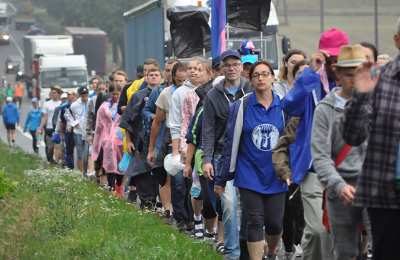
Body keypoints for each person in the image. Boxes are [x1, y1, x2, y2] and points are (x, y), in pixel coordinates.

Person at [282, 28, 349, 260]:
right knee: (320, 229)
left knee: (325, 233)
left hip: (345, 167)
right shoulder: (311, 79)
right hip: (313, 167)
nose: (334, 62)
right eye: (330, 57)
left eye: (339, 57)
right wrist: (310, 72)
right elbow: (289, 106)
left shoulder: (351, 80)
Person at [215, 61, 287, 260]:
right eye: (257, 75)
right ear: (251, 79)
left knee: (275, 224)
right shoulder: (241, 106)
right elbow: (230, 143)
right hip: (249, 173)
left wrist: (291, 170)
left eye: (265, 74)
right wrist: (222, 178)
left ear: (273, 78)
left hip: (276, 174)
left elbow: (292, 141)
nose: (261, 78)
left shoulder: (283, 106)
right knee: (254, 221)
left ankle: (271, 253)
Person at [342, 17, 400, 260]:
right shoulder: (379, 77)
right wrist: (361, 96)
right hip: (386, 195)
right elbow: (353, 136)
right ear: (398, 41)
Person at [312, 45, 368, 260]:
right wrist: (338, 185)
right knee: (346, 253)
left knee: (383, 246)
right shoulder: (325, 110)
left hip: (375, 187)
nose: (355, 80)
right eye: (349, 75)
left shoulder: (379, 104)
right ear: (338, 73)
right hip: (341, 188)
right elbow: (320, 155)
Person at [202, 49, 252, 259]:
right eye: (227, 65)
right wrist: (206, 159)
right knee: (229, 205)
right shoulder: (213, 95)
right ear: (222, 68)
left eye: (235, 64)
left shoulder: (251, 90)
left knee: (250, 207)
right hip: (223, 158)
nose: (231, 68)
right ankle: (232, 253)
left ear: (242, 67)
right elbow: (208, 129)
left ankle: (253, 249)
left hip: (248, 157)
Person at [147, 62, 188, 220]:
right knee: (177, 182)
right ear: (172, 79)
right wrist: (152, 148)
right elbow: (157, 122)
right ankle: (180, 218)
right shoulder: (166, 93)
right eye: (178, 81)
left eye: (185, 81)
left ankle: (191, 218)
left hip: (192, 142)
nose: (182, 85)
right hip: (173, 143)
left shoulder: (198, 92)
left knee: (191, 185)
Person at [120, 67, 163, 209]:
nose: (154, 77)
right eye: (151, 75)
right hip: (141, 141)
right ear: (146, 77)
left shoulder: (165, 93)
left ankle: (161, 203)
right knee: (142, 173)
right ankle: (147, 202)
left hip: (161, 140)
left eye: (157, 75)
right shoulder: (138, 96)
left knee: (159, 173)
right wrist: (129, 140)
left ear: (161, 77)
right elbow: (127, 120)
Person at [92, 85, 124, 197]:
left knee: (120, 166)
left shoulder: (124, 106)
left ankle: (119, 186)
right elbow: (99, 125)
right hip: (107, 142)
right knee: (110, 164)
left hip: (120, 140)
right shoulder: (104, 107)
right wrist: (97, 141)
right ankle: (111, 187)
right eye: (113, 94)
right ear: (109, 94)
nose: (115, 96)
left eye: (117, 94)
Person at [65, 86, 89, 175]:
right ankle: (81, 173)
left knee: (87, 154)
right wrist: (73, 123)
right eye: (82, 95)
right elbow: (67, 115)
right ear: (79, 95)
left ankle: (87, 172)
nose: (84, 97)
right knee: (80, 154)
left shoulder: (90, 102)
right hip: (78, 132)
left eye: (86, 95)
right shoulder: (74, 105)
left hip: (87, 133)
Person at [38, 85, 62, 163]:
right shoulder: (47, 104)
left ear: (58, 94)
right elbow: (44, 117)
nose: (53, 94)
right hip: (49, 128)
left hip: (58, 129)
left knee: (58, 146)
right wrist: (40, 127)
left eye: (55, 93)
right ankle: (50, 160)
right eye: (52, 93)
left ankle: (56, 161)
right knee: (49, 147)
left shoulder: (61, 103)